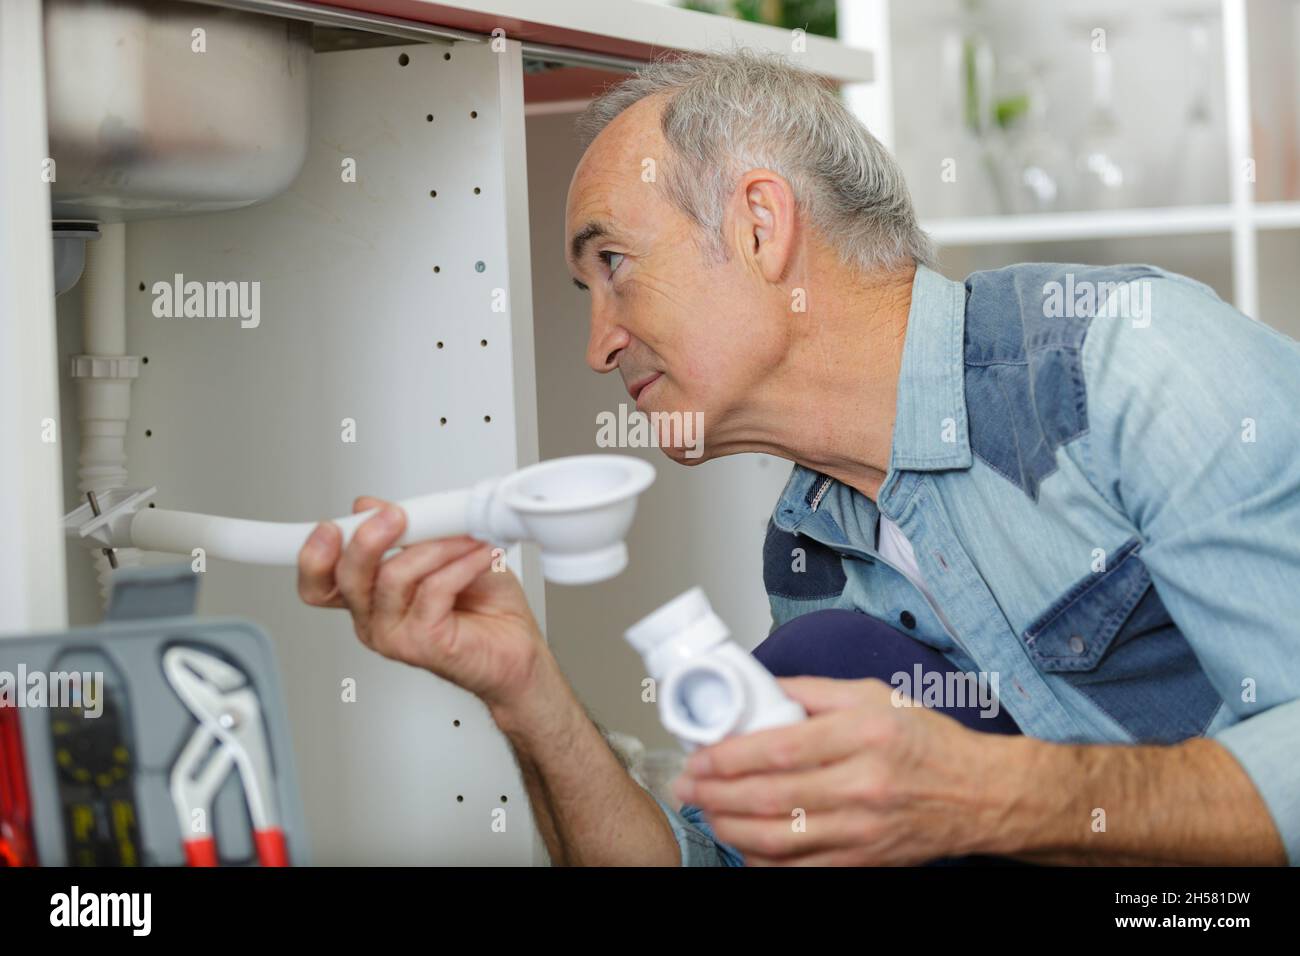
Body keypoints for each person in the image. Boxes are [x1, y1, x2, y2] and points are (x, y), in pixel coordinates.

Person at [297, 49, 1298, 866]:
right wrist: (526, 694)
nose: (598, 344)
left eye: (614, 264)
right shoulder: (811, 554)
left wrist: (984, 795)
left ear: (760, 224)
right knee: (827, 660)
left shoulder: (1127, 364)